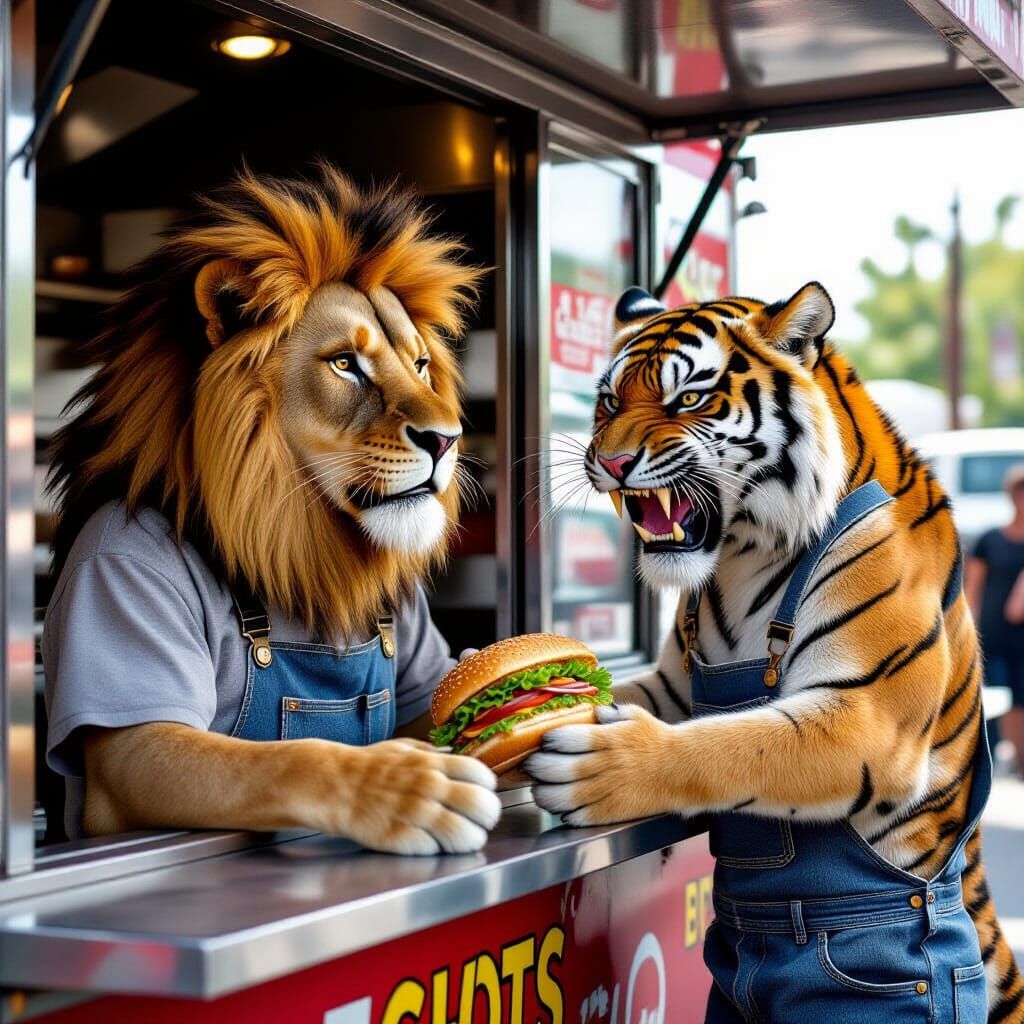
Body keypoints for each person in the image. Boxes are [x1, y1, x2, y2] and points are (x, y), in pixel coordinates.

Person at [965, 462, 1024, 775]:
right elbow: (972, 590)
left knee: (1020, 699)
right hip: (993, 633)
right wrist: (968, 631)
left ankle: (1018, 760)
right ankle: (999, 758)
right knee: (997, 697)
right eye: (1019, 493)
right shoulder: (990, 539)